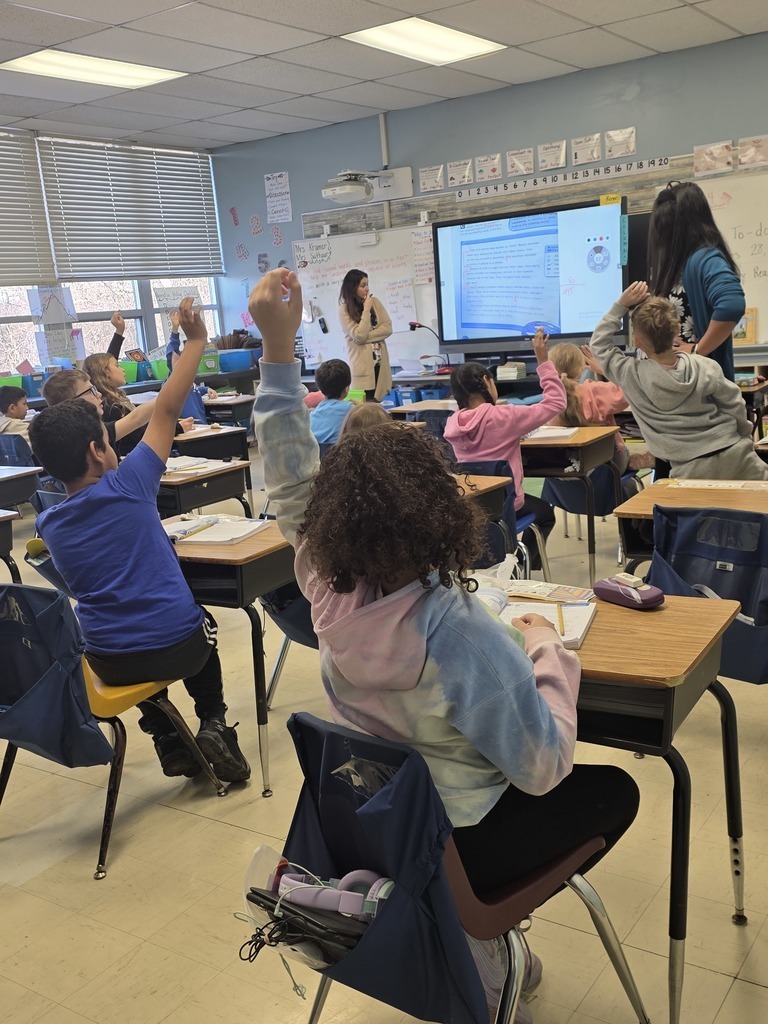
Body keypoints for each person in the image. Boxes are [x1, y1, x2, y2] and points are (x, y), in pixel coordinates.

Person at [250, 269, 639, 1014]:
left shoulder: (326, 586)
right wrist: (547, 655)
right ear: (439, 511)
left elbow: (290, 477)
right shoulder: (457, 631)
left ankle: (472, 940)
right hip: (463, 842)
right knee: (614, 789)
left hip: (387, 826)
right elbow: (542, 768)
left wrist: (276, 348)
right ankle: (489, 942)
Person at [28, 299, 251, 783]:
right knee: (204, 628)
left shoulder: (49, 525)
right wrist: (194, 341)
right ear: (97, 449)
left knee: (132, 643)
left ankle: (167, 737)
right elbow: (168, 406)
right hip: (175, 645)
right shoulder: (131, 484)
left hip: (107, 660)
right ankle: (213, 722)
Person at [589, 282, 768, 480]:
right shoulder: (705, 366)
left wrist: (620, 305)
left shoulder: (631, 375)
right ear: (676, 330)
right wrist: (743, 435)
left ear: (637, 341)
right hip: (737, 456)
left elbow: (599, 345)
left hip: (689, 471)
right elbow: (734, 404)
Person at [444, 335, 567, 564]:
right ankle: (523, 563)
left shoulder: (452, 424)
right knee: (546, 514)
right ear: (485, 381)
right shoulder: (505, 416)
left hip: (470, 507)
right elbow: (556, 403)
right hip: (507, 507)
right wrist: (542, 360)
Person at [648, 180, 745, 383]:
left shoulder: (705, 259)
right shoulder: (680, 264)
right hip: (677, 381)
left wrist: (697, 349)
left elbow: (731, 305)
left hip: (698, 386)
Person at [548, 343, 630, 474]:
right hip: (606, 463)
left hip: (563, 466)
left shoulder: (549, 398)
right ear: (581, 368)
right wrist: (603, 370)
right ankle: (626, 488)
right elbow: (630, 390)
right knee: (622, 452)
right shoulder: (593, 390)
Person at [42, 368, 154, 455]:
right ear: (73, 402)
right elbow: (137, 418)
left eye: (95, 388)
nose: (98, 394)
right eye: (90, 391)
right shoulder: (90, 434)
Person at [338, 269, 393, 402]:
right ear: (352, 287)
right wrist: (366, 309)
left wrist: (362, 338)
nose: (367, 289)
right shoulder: (344, 310)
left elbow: (387, 328)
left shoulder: (375, 302)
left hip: (380, 366)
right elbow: (359, 335)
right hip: (362, 370)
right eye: (363, 285)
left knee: (377, 405)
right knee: (365, 409)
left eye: (367, 284)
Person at [309, 358, 352, 443]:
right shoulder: (351, 411)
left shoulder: (311, 415)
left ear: (320, 388)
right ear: (346, 388)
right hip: (341, 454)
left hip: (316, 455)